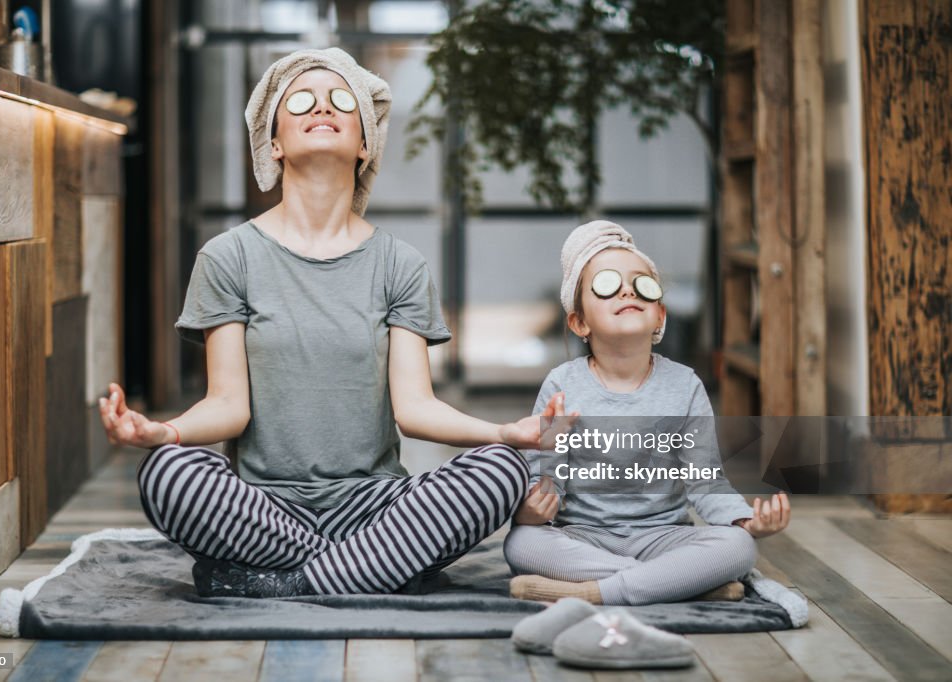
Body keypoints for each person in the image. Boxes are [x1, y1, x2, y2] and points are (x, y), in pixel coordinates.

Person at [98, 48, 565, 598]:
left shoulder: (399, 264)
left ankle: (287, 582)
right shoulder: (228, 257)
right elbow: (229, 405)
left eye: (341, 100)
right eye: (300, 100)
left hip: (374, 506)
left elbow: (414, 410)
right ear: (273, 144)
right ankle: (377, 568)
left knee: (502, 470)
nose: (322, 106)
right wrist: (163, 432)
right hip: (262, 511)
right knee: (165, 474)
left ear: (364, 143)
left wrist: (504, 434)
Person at [503, 221, 791, 605]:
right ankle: (682, 584)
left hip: (663, 536)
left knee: (737, 546)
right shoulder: (561, 384)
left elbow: (706, 482)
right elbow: (545, 483)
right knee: (522, 543)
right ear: (579, 322)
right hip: (584, 536)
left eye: (642, 284)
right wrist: (534, 507)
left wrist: (746, 521)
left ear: (660, 316)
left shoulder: (685, 385)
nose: (627, 290)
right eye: (606, 284)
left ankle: (595, 592)